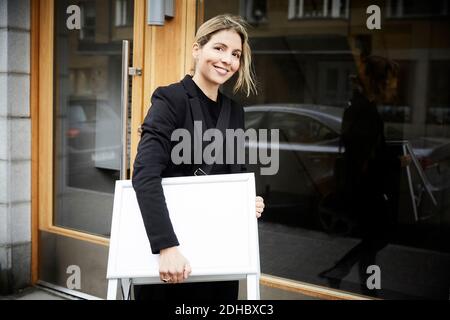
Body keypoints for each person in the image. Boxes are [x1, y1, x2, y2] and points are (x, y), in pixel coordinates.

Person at [132, 14, 265, 301]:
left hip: (219, 253)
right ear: (197, 49)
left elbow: (235, 173)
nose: (227, 59)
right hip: (175, 256)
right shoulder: (170, 99)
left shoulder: (235, 111)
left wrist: (246, 199)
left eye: (235, 54)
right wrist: (166, 247)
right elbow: (144, 173)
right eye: (218, 48)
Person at [319, 55, 410, 295]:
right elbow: (365, 154)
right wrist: (397, 161)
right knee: (379, 236)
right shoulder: (363, 110)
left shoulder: (361, 107)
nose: (393, 87)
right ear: (377, 82)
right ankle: (351, 279)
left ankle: (344, 275)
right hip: (365, 186)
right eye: (389, 82)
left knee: (375, 237)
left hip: (364, 184)